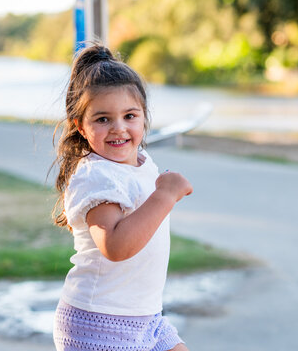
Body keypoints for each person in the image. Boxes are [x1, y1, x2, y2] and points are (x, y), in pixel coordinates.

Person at [51, 43, 193, 351]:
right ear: (81, 126)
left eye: (130, 115)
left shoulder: (143, 162)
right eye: (102, 119)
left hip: (147, 318)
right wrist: (165, 196)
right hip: (98, 323)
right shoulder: (96, 175)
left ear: (144, 117)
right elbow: (115, 246)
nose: (119, 128)